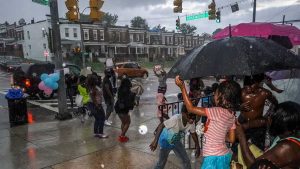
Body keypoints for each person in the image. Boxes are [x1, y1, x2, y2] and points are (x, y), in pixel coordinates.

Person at [175, 76, 240, 169]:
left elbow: (190, 108)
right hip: (224, 156)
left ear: (222, 97)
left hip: (212, 158)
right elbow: (232, 139)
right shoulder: (232, 116)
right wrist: (218, 134)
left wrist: (182, 88)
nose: (214, 95)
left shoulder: (215, 111)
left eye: (216, 93)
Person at [236, 101, 300, 168]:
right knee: (244, 147)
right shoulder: (290, 129)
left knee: (240, 152)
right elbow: (264, 121)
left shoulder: (285, 147)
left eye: (271, 118)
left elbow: (253, 166)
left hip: (254, 166)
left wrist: (241, 136)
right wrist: (245, 126)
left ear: (279, 124)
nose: (269, 119)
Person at [240, 74, 278, 150]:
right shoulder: (241, 92)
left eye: (251, 84)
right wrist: (240, 106)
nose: (248, 87)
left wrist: (268, 116)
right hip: (243, 122)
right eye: (246, 85)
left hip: (257, 124)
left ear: (258, 83)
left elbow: (276, 104)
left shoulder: (265, 93)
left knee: (257, 148)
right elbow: (231, 105)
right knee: (239, 146)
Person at [115, 77, 136, 142]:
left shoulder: (120, 89)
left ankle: (123, 136)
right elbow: (129, 101)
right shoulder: (129, 92)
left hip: (118, 107)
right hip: (124, 109)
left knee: (123, 122)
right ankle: (122, 136)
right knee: (128, 122)